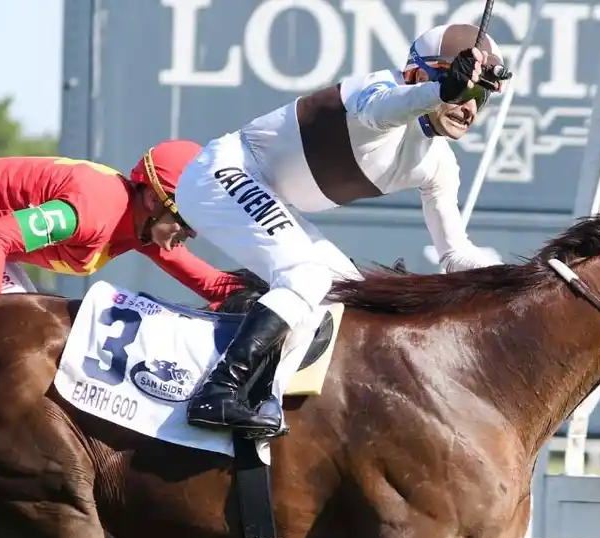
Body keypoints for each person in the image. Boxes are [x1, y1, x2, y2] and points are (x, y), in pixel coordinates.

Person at [173, 23, 512, 438]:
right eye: (463, 89)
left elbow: (455, 254)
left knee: (350, 294)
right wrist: (440, 92)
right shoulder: (375, 90)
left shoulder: (440, 165)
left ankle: (267, 397)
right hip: (224, 172)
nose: (469, 107)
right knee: (306, 276)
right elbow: (380, 110)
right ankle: (218, 392)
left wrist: (517, 278)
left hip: (269, 196)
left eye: (480, 96)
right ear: (415, 75)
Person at [0, 141, 244, 312]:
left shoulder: (143, 226)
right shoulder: (93, 213)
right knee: (13, 328)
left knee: (26, 328)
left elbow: (211, 284)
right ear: (153, 200)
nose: (190, 233)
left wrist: (267, 299)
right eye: (185, 220)